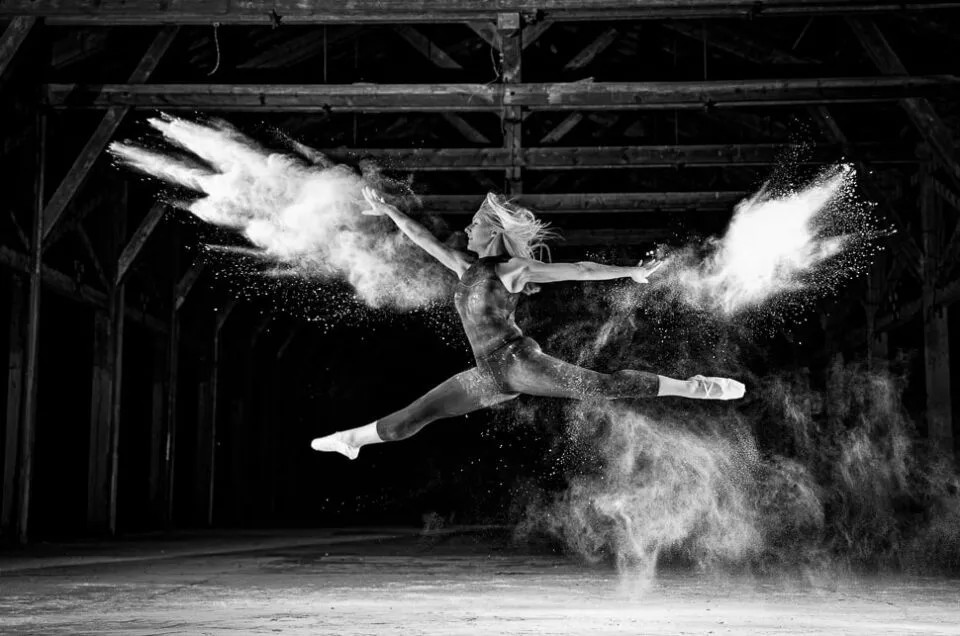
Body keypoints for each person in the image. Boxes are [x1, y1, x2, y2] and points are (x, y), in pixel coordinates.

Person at [310, 188, 745, 459]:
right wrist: (388, 211)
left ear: (494, 232)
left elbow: (580, 269)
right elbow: (421, 238)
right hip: (488, 375)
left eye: (474, 226)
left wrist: (629, 273)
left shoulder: (512, 269)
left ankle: (695, 386)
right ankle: (353, 440)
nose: (466, 231)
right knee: (415, 418)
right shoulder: (464, 266)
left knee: (604, 386)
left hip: (517, 360)